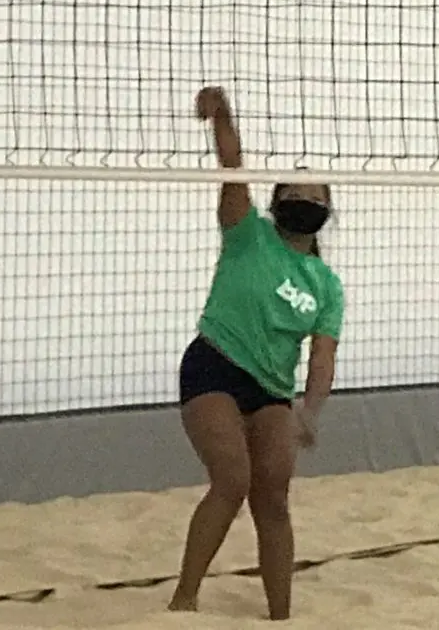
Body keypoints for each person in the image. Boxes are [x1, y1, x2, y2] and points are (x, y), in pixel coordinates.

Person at [168, 86, 345, 621]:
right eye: (297, 193)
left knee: (273, 499)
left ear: (326, 212)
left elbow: (321, 359)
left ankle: (281, 616)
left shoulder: (326, 284)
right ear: (276, 201)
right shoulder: (249, 236)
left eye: (317, 198)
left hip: (271, 390)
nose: (306, 202)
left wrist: (308, 413)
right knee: (231, 478)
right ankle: (183, 600)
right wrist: (222, 114)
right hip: (215, 365)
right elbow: (232, 165)